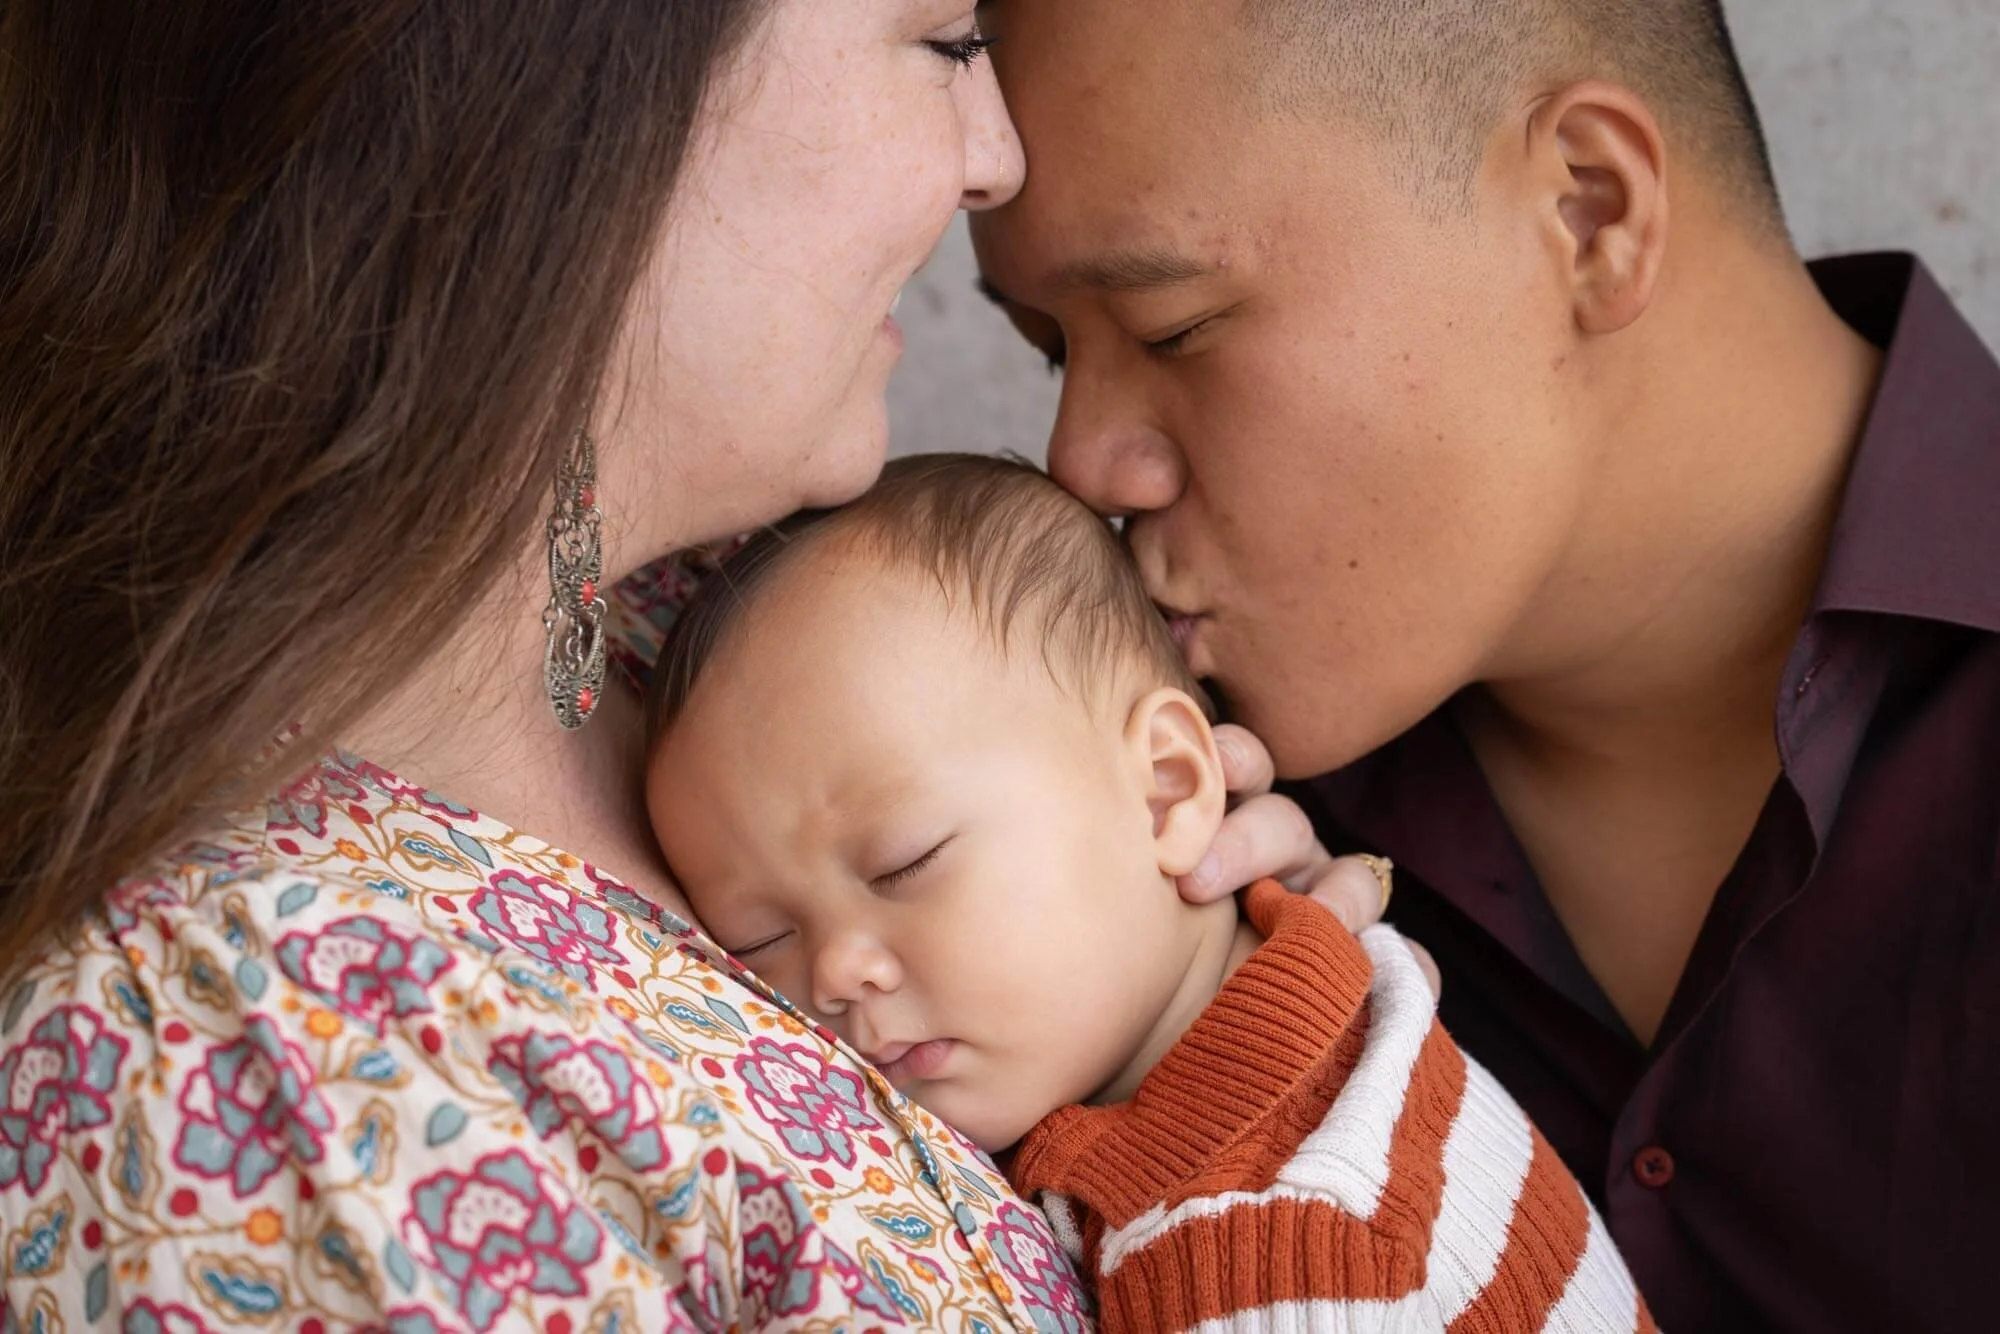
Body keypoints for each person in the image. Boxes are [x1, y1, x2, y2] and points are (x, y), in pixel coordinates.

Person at [0, 3, 1390, 1328]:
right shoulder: (225, 1063)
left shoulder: (693, 624)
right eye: (943, 40)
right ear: (565, 103)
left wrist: (1194, 995)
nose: (995, 154)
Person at [968, 0, 2000, 1329]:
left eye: (1170, 327)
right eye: (1054, 352)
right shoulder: (1173, 831)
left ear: (1587, 209)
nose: (1084, 464)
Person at [646, 453, 1654, 1333]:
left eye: (904, 861)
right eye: (756, 936)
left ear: (1168, 787)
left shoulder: (1285, 1252)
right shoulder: (1313, 1001)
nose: (831, 970)